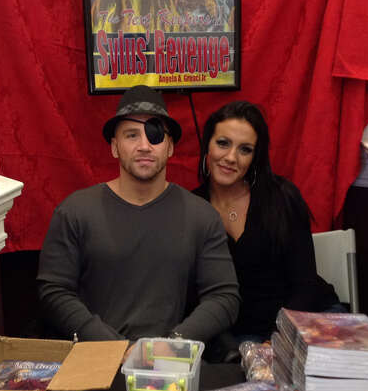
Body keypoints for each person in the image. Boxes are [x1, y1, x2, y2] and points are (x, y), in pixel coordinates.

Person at [37, 85, 240, 343]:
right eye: (132, 135)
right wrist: (110, 344)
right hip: (95, 361)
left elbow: (224, 296)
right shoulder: (75, 212)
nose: (144, 146)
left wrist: (174, 343)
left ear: (170, 147)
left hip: (173, 365)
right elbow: (54, 290)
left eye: (155, 136)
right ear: (114, 147)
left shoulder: (201, 216)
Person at [194, 100, 343, 345]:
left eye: (245, 149)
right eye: (223, 143)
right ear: (207, 146)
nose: (231, 157)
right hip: (242, 337)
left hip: (306, 319)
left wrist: (278, 339)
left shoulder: (281, 197)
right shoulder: (193, 207)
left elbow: (304, 285)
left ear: (255, 157)